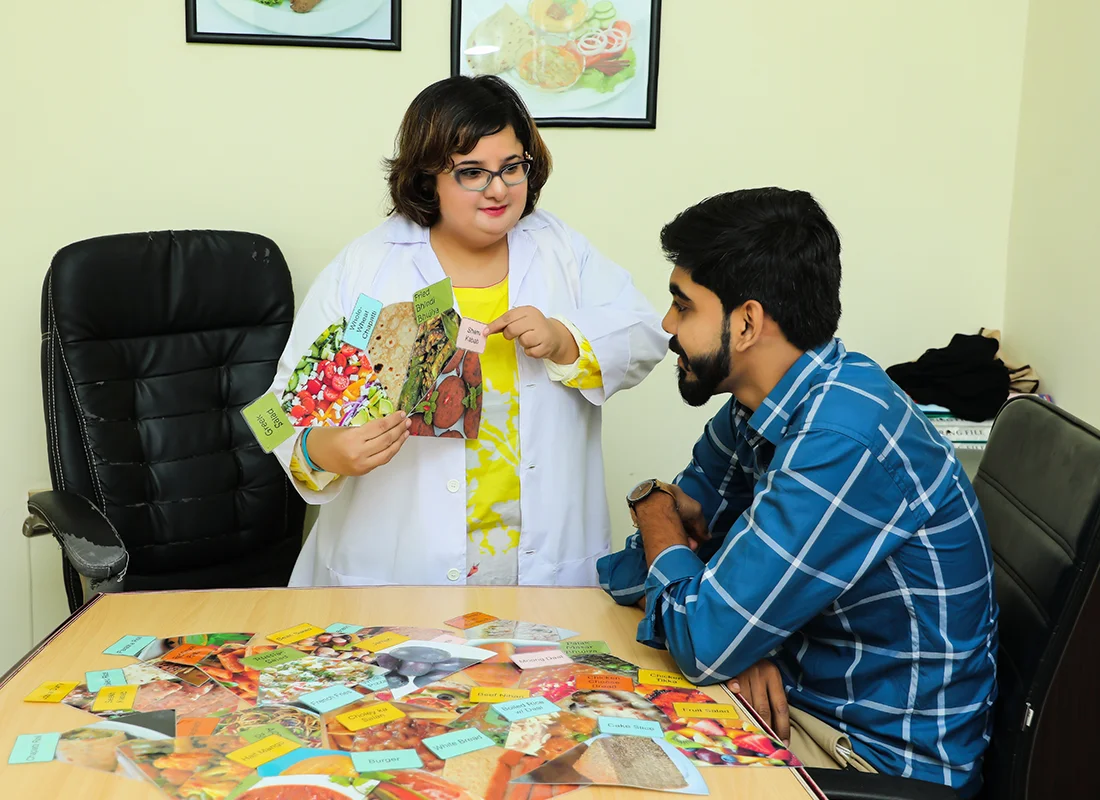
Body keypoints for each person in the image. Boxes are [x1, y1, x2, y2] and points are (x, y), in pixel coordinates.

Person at [598, 189, 998, 797]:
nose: (668, 325)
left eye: (684, 305)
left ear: (748, 322)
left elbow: (703, 635)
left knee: (602, 763)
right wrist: (742, 639)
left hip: (874, 759)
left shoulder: (841, 437)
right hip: (802, 698)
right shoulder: (758, 408)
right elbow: (632, 578)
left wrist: (654, 507)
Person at [263, 75, 667, 588]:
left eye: (512, 168)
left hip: (539, 563)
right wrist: (322, 450)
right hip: (396, 569)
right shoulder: (368, 271)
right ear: (427, 176)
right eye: (472, 172)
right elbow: (275, 412)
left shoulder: (560, 250)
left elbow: (648, 332)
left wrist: (568, 339)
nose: (498, 189)